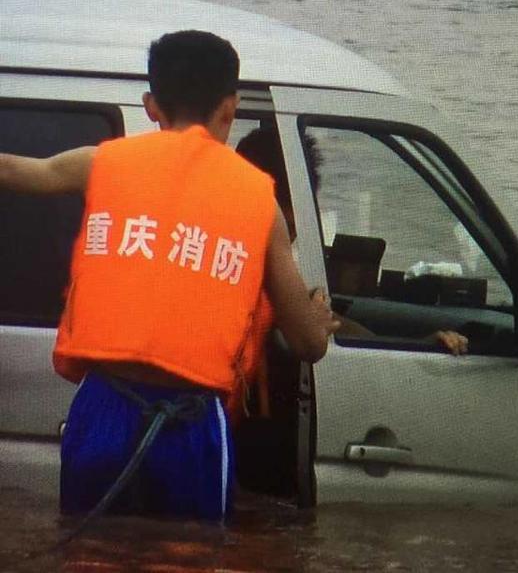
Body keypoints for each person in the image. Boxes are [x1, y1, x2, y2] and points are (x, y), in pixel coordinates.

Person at [0, 30, 338, 521]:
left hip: (104, 408)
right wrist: (318, 320)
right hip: (192, 423)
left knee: (89, 549)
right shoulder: (261, 205)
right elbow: (308, 343)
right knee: (191, 553)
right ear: (230, 108)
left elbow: (12, 170)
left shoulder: (101, 163)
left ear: (151, 105)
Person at [234, 126, 468, 383]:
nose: (290, 241)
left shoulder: (267, 282)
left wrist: (420, 347)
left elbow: (336, 324)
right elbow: (310, 341)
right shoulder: (237, 282)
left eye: (294, 230)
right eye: (287, 228)